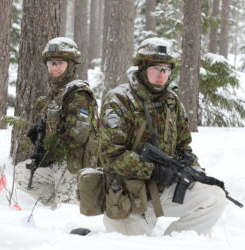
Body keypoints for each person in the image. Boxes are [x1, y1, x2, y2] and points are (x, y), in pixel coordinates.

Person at [99, 37, 226, 236]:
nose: (162, 75)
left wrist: (195, 171)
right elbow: (111, 156)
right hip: (128, 194)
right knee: (130, 245)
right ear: (142, 68)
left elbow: (184, 147)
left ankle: (175, 242)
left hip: (164, 189)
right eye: (156, 68)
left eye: (166, 69)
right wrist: (153, 171)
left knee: (214, 197)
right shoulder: (119, 100)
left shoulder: (172, 102)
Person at [15, 37, 98, 208]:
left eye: (60, 63)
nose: (55, 68)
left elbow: (78, 136)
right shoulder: (56, 93)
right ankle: (55, 207)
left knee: (67, 215)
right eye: (51, 63)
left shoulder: (78, 94)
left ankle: (70, 209)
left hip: (74, 164)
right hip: (56, 162)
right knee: (21, 175)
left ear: (71, 65)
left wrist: (50, 145)